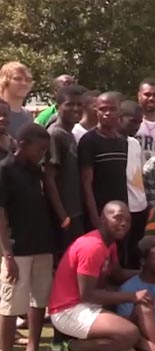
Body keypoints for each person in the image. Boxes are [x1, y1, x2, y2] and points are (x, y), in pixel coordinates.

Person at [49, 201, 145, 351]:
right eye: (118, 218)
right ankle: (73, 348)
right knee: (129, 335)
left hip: (85, 303)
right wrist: (133, 296)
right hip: (68, 309)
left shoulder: (109, 243)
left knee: (128, 321)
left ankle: (96, 345)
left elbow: (117, 274)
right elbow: (87, 295)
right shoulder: (92, 247)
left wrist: (149, 273)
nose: (124, 223)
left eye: (128, 220)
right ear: (103, 219)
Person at [0, 124, 56, 351]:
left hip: (42, 246)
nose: (43, 154)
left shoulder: (36, 171)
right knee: (11, 305)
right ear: (22, 145)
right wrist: (7, 255)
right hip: (17, 249)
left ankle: (33, 349)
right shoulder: (5, 170)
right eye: (40, 148)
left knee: (39, 300)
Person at [78, 92, 129, 231]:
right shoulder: (89, 141)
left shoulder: (122, 142)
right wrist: (95, 217)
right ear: (96, 111)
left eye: (112, 109)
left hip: (120, 212)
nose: (107, 113)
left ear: (119, 111)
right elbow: (86, 183)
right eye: (103, 109)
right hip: (100, 213)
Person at [44, 85, 85, 255]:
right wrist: (63, 217)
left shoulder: (69, 134)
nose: (76, 109)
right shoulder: (55, 134)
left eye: (79, 104)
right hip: (65, 215)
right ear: (58, 106)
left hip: (75, 210)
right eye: (70, 104)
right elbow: (49, 178)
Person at [118, 100, 149, 268]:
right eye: (132, 121)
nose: (137, 126)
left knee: (135, 254)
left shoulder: (135, 143)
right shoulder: (111, 142)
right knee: (120, 254)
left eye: (139, 122)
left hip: (139, 207)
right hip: (123, 209)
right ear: (119, 117)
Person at [0, 62, 33, 138]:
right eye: (18, 79)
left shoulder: (28, 115)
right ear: (4, 81)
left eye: (28, 80)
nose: (24, 83)